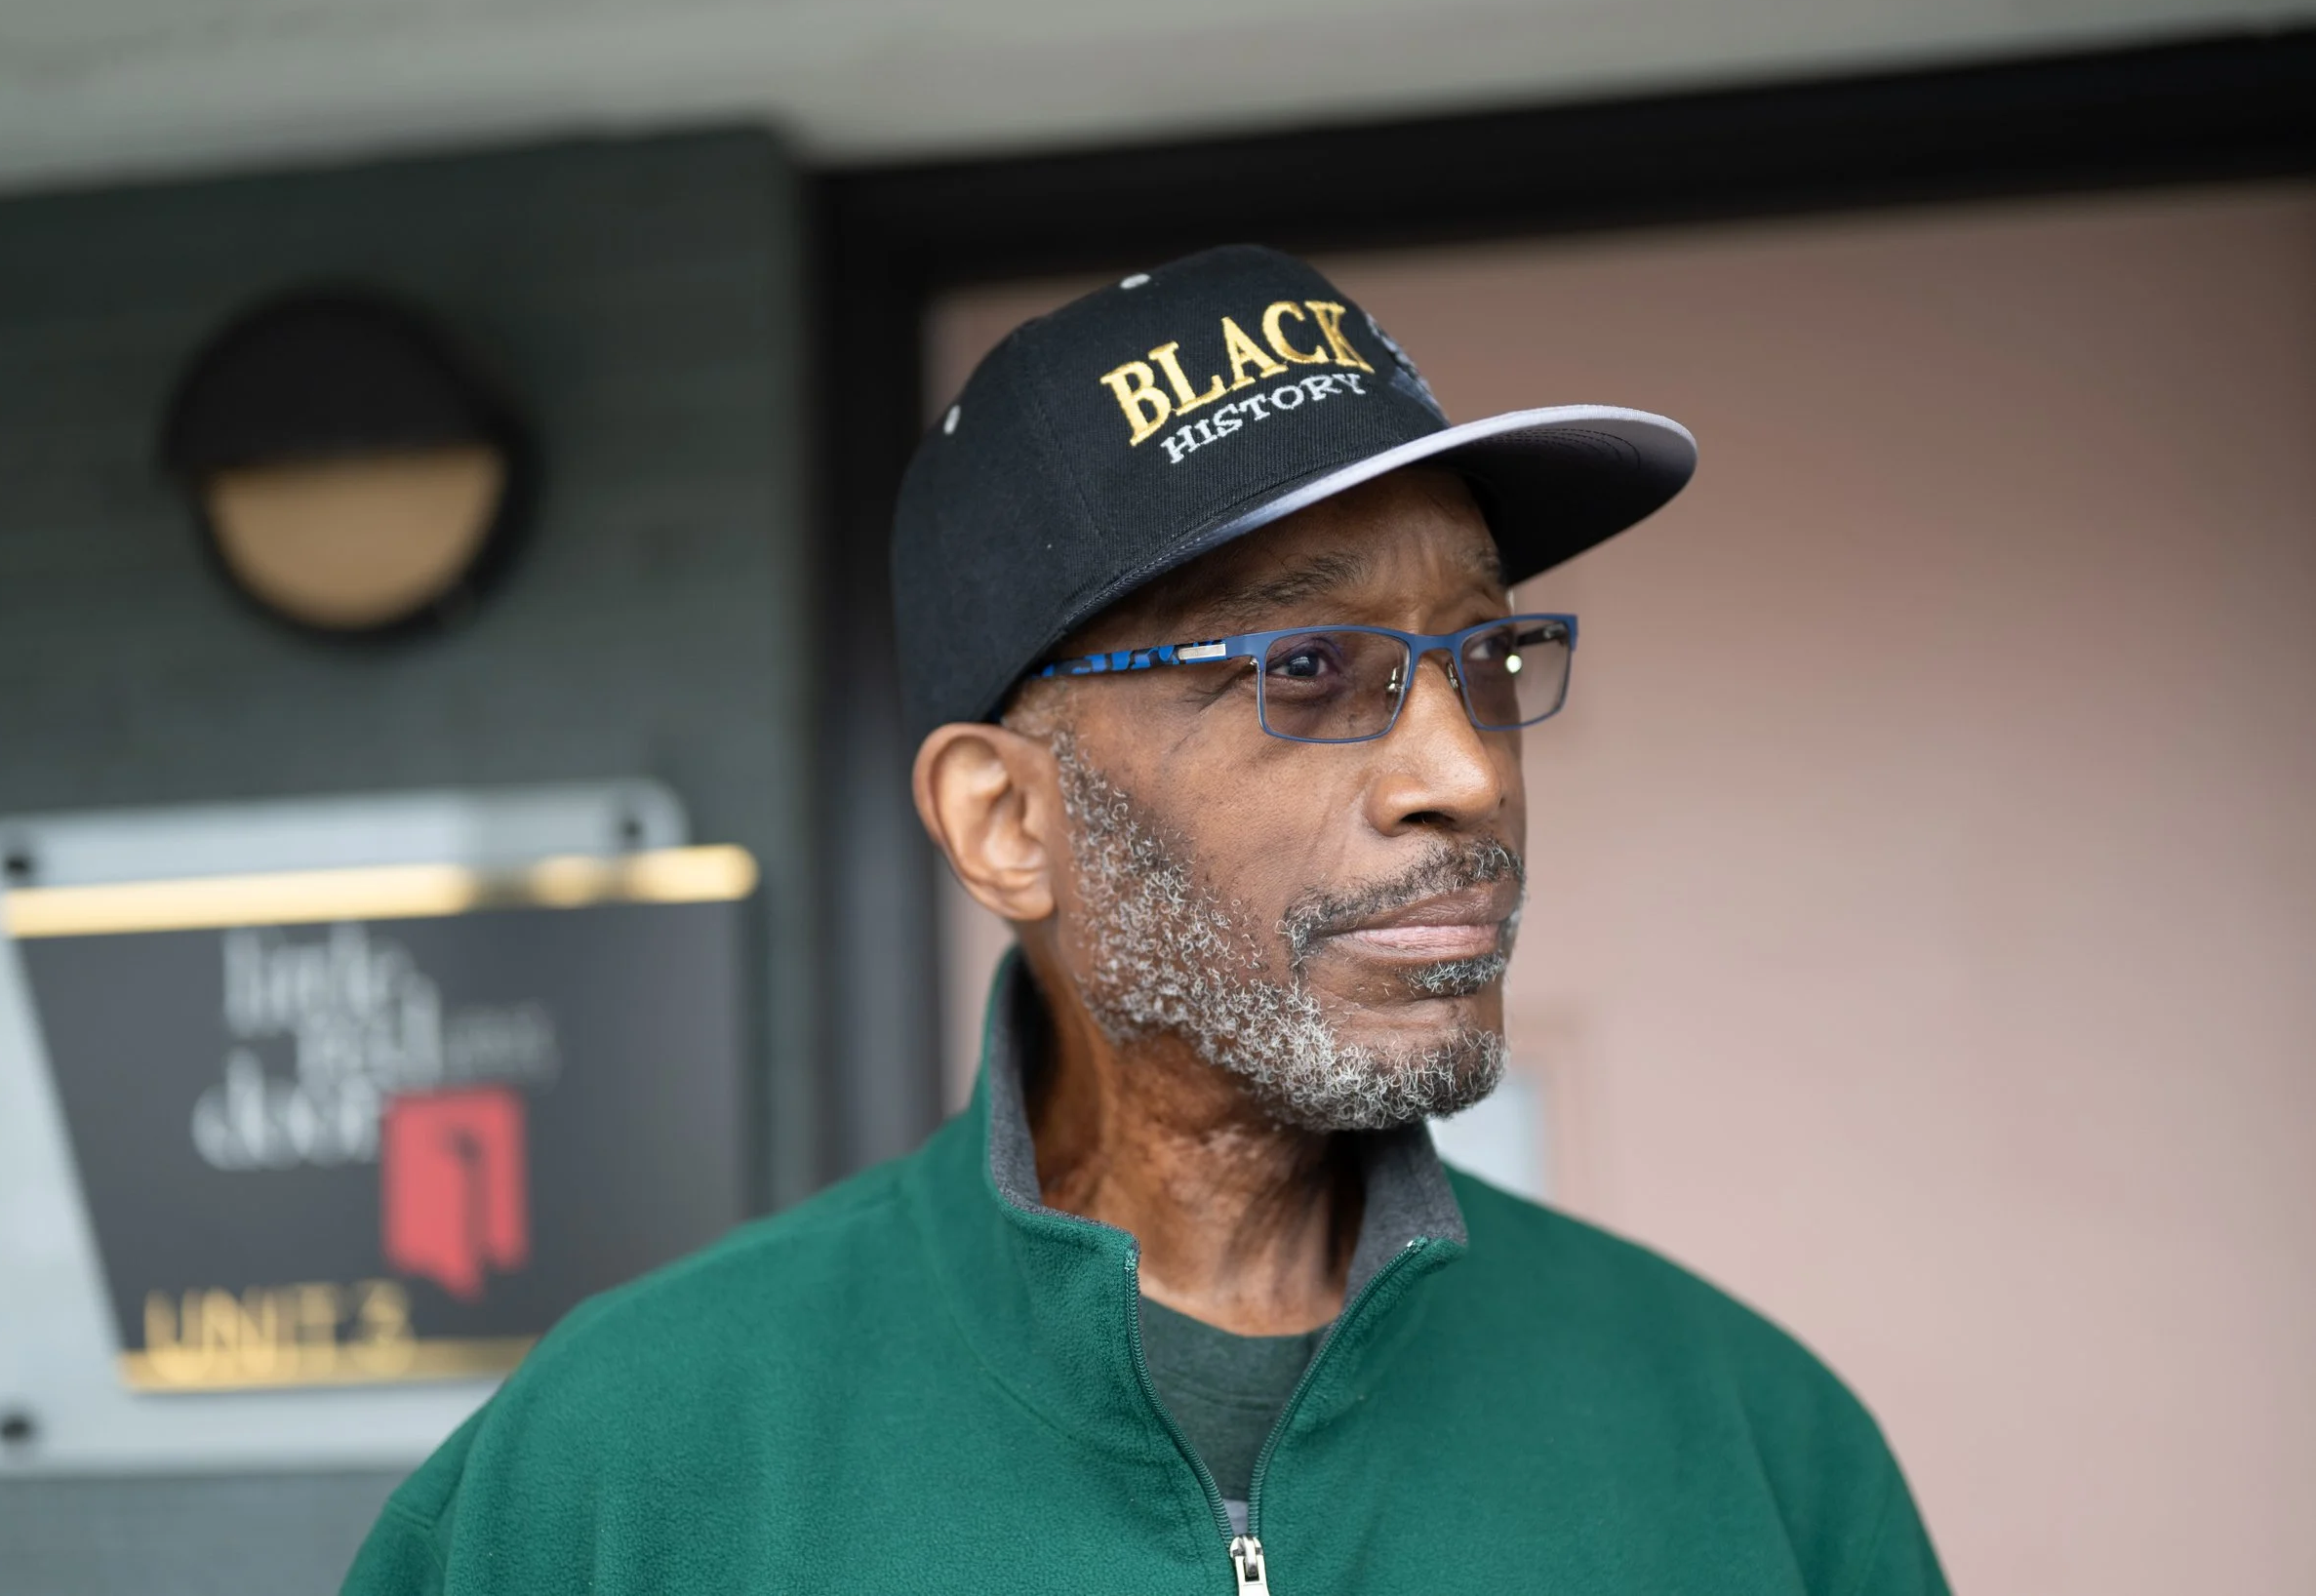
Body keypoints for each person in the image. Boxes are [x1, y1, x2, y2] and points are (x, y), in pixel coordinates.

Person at [342, 244, 1949, 1594]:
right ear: (1008, 819)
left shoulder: (1751, 1447)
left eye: (1483, 653)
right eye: (1309, 670)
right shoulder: (627, 1475)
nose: (1464, 768)